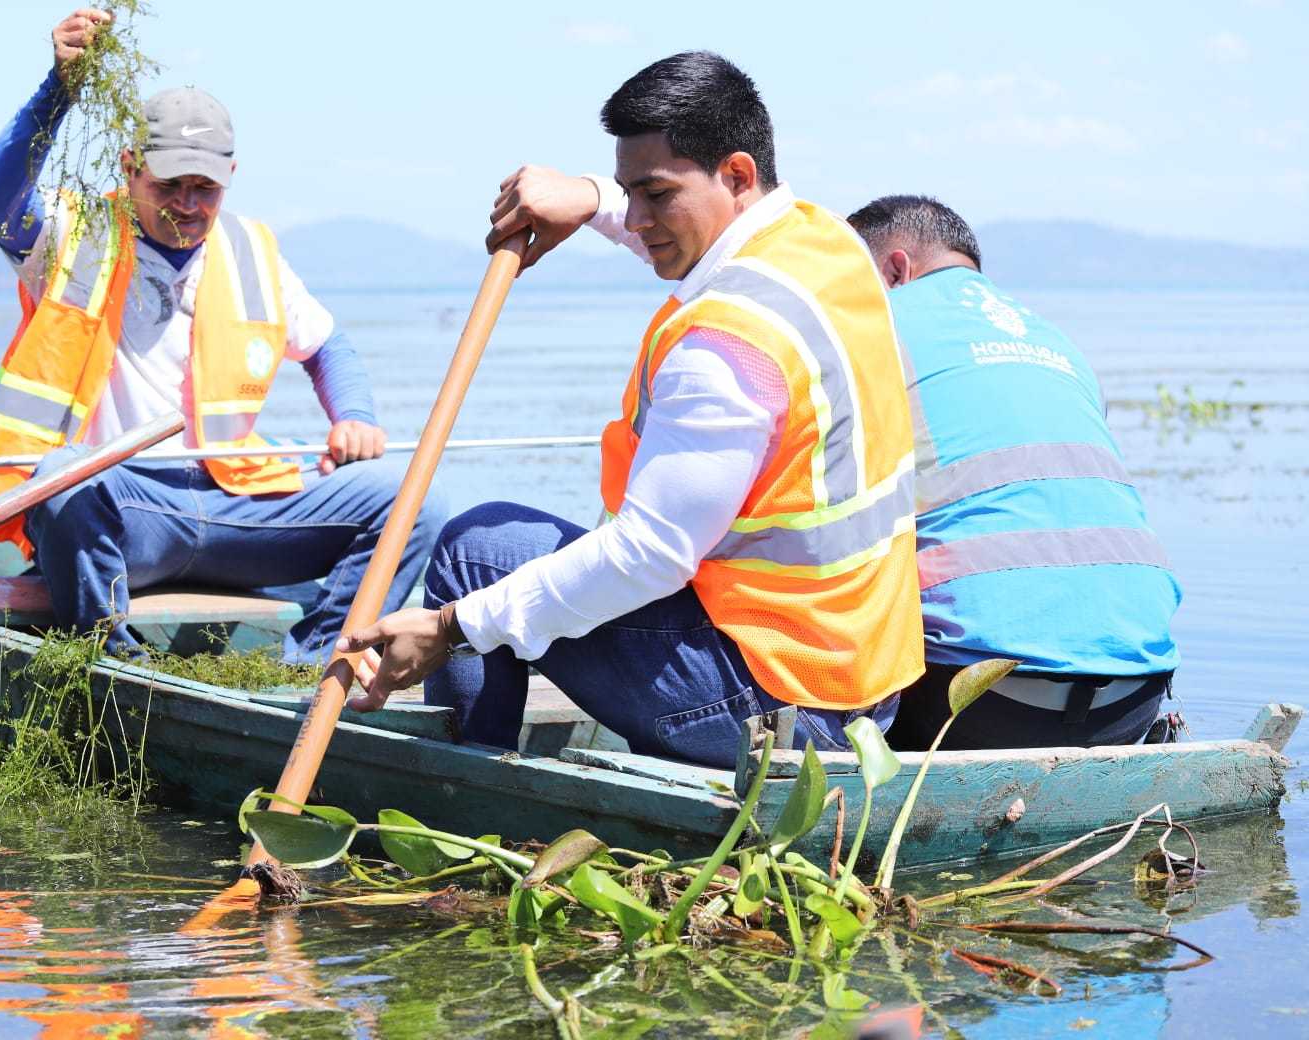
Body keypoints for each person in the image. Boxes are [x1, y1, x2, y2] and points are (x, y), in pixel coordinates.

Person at [339, 52, 923, 767]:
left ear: (737, 175)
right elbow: (687, 229)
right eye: (629, 194)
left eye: (655, 195)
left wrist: (450, 627)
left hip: (766, 708)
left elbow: (648, 555)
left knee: (474, 553)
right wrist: (590, 199)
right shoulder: (829, 245)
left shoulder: (727, 345)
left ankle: (462, 789)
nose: (639, 220)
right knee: (512, 570)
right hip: (856, 687)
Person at [0, 9, 444, 661]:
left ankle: (315, 664)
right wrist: (59, 89)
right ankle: (110, 657)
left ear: (231, 177)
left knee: (415, 504)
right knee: (62, 479)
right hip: (124, 506)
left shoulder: (252, 250)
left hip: (237, 501)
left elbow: (329, 348)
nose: (188, 204)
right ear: (130, 168)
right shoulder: (70, 235)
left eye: (204, 188)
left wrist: (353, 416)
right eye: (169, 185)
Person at [845, 195, 1180, 749]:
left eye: (850, 281)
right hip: (1135, 698)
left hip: (973, 703)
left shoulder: (871, 329)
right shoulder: (1056, 342)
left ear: (895, 270)